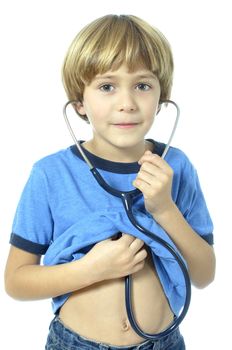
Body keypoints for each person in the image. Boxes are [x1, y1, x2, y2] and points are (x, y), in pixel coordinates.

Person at [4, 14, 216, 350]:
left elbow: (204, 275)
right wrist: (92, 269)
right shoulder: (50, 174)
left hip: (162, 342)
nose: (127, 103)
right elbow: (16, 281)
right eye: (107, 87)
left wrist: (164, 209)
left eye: (142, 85)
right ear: (79, 102)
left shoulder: (176, 166)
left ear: (162, 97)